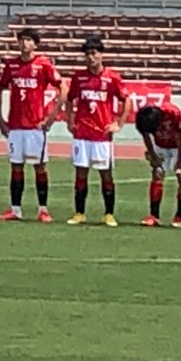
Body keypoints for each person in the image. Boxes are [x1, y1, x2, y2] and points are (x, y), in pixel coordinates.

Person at [48, 35, 129, 227]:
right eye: (87, 54)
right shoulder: (79, 77)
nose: (90, 57)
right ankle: (79, 213)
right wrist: (70, 120)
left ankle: (108, 214)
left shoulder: (112, 78)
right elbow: (69, 99)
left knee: (106, 174)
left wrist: (119, 123)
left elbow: (127, 100)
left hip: (102, 134)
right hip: (82, 133)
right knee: (80, 173)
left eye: (94, 53)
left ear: (101, 55)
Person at [0, 26, 58, 222]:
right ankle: (15, 209)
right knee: (16, 167)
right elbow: (0, 89)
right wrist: (0, 118)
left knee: (39, 166)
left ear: (35, 44)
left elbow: (63, 88)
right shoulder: (11, 65)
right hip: (15, 126)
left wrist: (51, 117)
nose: (25, 43)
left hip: (35, 127)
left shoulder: (43, 65)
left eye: (29, 40)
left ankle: (43, 209)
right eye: (22, 40)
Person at [134, 102, 181, 228]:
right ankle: (154, 216)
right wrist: (153, 155)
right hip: (161, 144)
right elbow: (146, 136)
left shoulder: (173, 113)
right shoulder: (144, 117)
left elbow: (180, 136)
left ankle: (179, 217)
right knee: (157, 173)